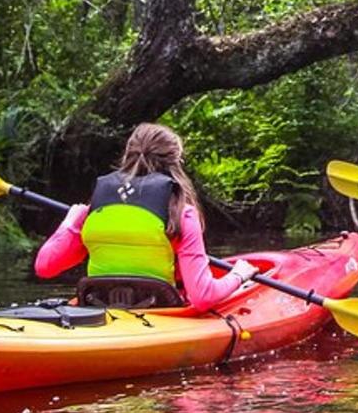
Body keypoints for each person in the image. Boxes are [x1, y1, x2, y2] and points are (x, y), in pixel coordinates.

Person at [35, 123, 258, 310]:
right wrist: (239, 275)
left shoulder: (94, 209)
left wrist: (70, 222)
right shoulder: (181, 213)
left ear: (127, 155)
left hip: (97, 308)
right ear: (176, 160)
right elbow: (203, 297)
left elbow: (45, 267)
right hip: (159, 312)